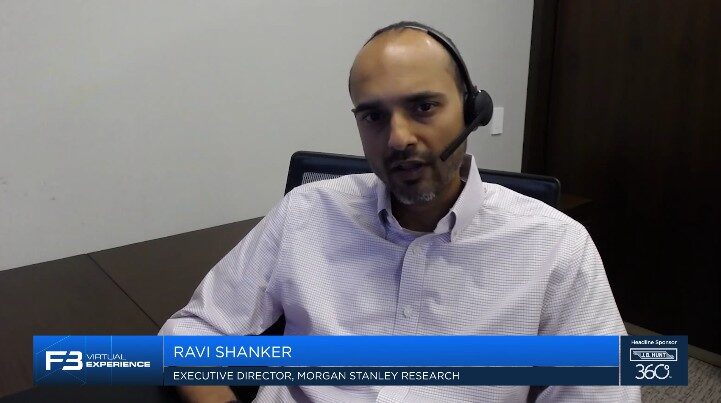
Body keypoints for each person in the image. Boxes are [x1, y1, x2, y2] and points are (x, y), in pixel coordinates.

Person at [160, 21, 642, 402]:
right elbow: (193, 331)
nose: (398, 138)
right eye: (373, 116)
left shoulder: (557, 246)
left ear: (473, 110)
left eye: (424, 107)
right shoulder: (306, 212)